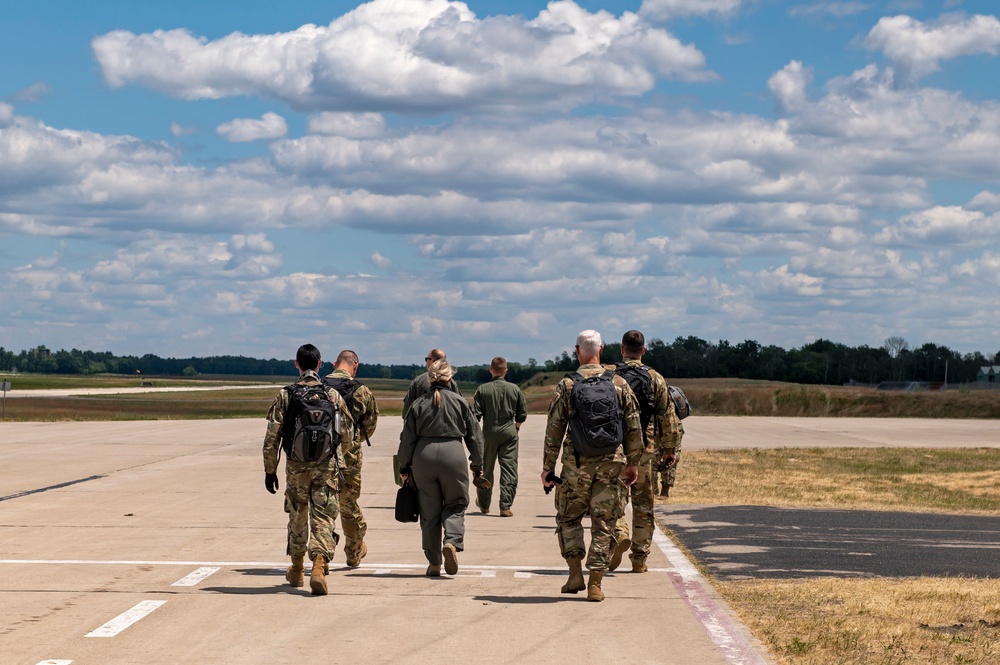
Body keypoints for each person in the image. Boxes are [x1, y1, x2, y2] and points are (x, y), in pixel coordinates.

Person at [541, 330, 642, 602]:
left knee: (568, 518)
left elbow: (554, 430)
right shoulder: (619, 383)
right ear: (602, 349)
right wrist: (633, 464)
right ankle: (596, 583)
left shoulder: (567, 385)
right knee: (605, 522)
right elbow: (633, 427)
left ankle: (575, 573)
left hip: (576, 466)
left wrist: (548, 467)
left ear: (577, 351)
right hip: (611, 464)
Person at [262, 343, 352, 596]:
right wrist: (342, 465)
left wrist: (270, 470)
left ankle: (297, 568)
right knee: (324, 517)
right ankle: (320, 567)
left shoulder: (287, 394)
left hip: (296, 467)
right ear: (320, 364)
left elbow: (272, 437)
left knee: (298, 514)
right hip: (327, 466)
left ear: (297, 364)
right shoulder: (332, 395)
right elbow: (346, 433)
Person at [397, 359, 485, 577]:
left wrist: (404, 467)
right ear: (450, 378)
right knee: (456, 503)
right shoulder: (460, 402)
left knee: (429, 512)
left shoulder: (418, 404)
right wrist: (477, 465)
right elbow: (475, 437)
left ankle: (434, 562)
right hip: (453, 455)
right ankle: (452, 542)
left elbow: (406, 440)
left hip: (423, 457)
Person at [610, 330, 684, 573]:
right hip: (645, 449)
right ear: (643, 351)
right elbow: (667, 417)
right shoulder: (655, 378)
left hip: (617, 449)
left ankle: (620, 532)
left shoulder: (610, 376)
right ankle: (639, 559)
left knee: (615, 500)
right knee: (643, 505)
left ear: (622, 350)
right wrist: (670, 449)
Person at [324, 349, 379, 568]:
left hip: (322, 454)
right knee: (348, 503)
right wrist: (351, 440)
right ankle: (354, 550)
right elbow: (370, 426)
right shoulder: (361, 391)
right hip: (350, 457)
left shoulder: (321, 386)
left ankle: (322, 551)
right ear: (355, 366)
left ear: (335, 363)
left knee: (323, 504)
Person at [471, 357, 527, 517]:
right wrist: (516, 426)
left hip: (488, 432)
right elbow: (522, 413)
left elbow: (476, 414)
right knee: (509, 469)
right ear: (505, 371)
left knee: (486, 469)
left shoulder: (482, 389)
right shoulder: (514, 389)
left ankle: (484, 504)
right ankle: (505, 505)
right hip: (509, 431)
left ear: (491, 370)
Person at [402, 348, 462, 418]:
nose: (426, 361)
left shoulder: (418, 381)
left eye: (426, 359)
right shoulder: (451, 382)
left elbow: (407, 410)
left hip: (423, 425)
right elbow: (459, 407)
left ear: (432, 361)